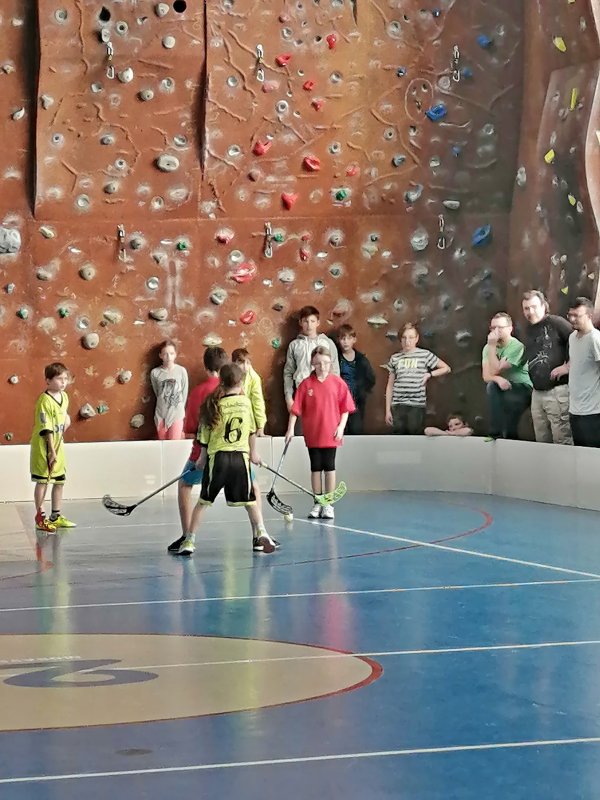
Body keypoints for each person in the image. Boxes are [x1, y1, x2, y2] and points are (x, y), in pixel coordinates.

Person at [175, 364, 278, 557]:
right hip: (240, 459)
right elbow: (251, 431)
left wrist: (201, 460)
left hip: (218, 460)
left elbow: (203, 437)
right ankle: (261, 532)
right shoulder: (246, 403)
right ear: (241, 383)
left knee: (203, 502)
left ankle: (189, 540)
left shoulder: (213, 405)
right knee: (250, 501)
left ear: (221, 383)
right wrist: (254, 453)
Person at [168, 346, 228, 554]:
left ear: (205, 367)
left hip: (202, 453)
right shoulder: (234, 390)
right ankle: (259, 532)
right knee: (252, 485)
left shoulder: (198, 392)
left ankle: (187, 535)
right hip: (232, 452)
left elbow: (191, 429)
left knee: (184, 485)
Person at [286, 346, 355, 520]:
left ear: (330, 362)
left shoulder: (338, 383)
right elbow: (295, 409)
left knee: (329, 467)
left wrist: (341, 427)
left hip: (331, 433)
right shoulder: (306, 384)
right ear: (312, 364)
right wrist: (290, 429)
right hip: (313, 433)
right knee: (315, 467)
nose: (322, 366)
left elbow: (345, 408)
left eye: (325, 362)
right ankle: (317, 502)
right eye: (318, 363)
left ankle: (328, 504)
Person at [522, 290, 572, 444]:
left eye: (534, 307)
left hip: (557, 391)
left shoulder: (557, 323)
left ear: (544, 306)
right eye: (526, 308)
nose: (530, 312)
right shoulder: (529, 329)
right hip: (537, 393)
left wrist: (568, 366)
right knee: (541, 439)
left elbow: (579, 341)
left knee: (561, 439)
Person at [30, 362, 76, 533]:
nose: (63, 382)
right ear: (48, 380)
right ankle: (40, 518)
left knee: (59, 481)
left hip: (58, 443)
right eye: (59, 378)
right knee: (43, 481)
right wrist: (51, 451)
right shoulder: (44, 401)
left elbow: (63, 418)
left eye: (65, 378)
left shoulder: (64, 397)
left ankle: (55, 516)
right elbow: (46, 427)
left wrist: (66, 423)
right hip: (45, 445)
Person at [385, 323, 451, 435]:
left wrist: (430, 374)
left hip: (416, 405)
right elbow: (390, 386)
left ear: (416, 339)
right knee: (398, 437)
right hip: (398, 405)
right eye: (404, 337)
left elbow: (446, 368)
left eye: (411, 337)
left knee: (415, 436)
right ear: (400, 339)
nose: (407, 341)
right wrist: (388, 410)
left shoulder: (424, 355)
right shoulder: (395, 358)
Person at [482, 312, 532, 440]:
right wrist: (498, 379)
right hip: (504, 388)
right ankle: (502, 436)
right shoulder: (487, 348)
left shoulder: (516, 346)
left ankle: (496, 432)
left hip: (523, 388)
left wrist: (492, 347)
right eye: (493, 328)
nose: (495, 331)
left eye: (500, 327)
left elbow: (495, 370)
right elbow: (486, 376)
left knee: (496, 391)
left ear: (510, 329)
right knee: (493, 386)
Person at [283, 305, 340, 413]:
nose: (309, 325)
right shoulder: (294, 345)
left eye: (312, 321)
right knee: (302, 423)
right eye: (306, 321)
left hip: (324, 393)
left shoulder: (327, 343)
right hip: (301, 394)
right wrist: (289, 398)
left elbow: (335, 370)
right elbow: (288, 373)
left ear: (318, 322)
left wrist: (334, 394)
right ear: (300, 322)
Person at [566, 297, 600, 447]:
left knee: (592, 454)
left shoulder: (595, 339)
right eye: (570, 315)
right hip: (574, 409)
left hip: (593, 412)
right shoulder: (572, 337)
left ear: (589, 316)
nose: (572, 319)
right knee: (579, 452)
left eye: (577, 316)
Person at [336, 323, 376, 434]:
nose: (345, 342)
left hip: (356, 403)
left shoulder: (361, 360)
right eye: (343, 338)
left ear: (354, 340)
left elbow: (371, 378)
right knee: (339, 432)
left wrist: (362, 391)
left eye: (349, 338)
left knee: (356, 430)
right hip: (339, 404)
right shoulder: (336, 358)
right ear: (338, 340)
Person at [150, 339, 188, 440]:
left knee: (174, 443)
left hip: (177, 413)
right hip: (161, 414)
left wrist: (179, 409)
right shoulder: (155, 373)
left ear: (175, 354)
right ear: (160, 355)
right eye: (165, 354)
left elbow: (184, 393)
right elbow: (157, 393)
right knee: (163, 443)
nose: (169, 357)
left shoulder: (181, 371)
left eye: (171, 353)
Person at [232, 348, 267, 436]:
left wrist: (260, 426)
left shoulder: (254, 378)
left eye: (248, 363)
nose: (245, 367)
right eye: (241, 363)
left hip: (247, 420)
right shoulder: (229, 374)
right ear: (234, 363)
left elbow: (258, 402)